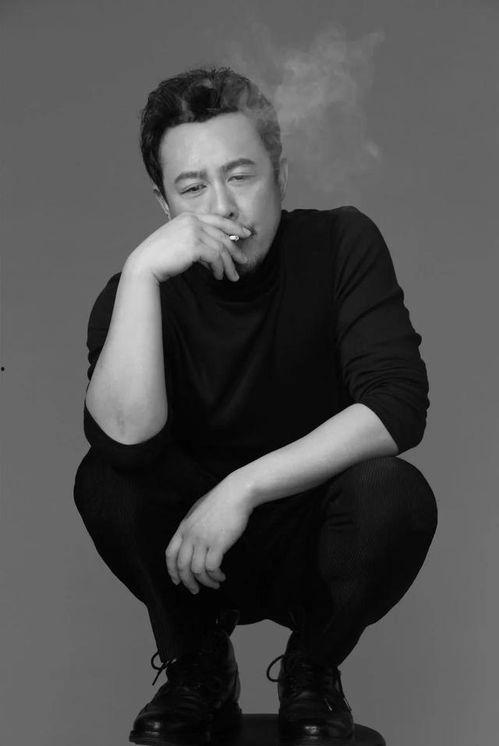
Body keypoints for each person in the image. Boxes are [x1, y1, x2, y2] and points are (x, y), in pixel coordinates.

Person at [73, 66, 438, 744]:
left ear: (280, 173)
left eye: (240, 176)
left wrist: (241, 488)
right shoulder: (135, 293)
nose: (223, 207)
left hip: (314, 532)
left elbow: (396, 405)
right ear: (163, 204)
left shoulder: (341, 243)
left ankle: (312, 667)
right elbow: (124, 444)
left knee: (395, 493)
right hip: (192, 554)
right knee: (103, 481)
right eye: (192, 188)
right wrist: (143, 274)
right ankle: (197, 664)